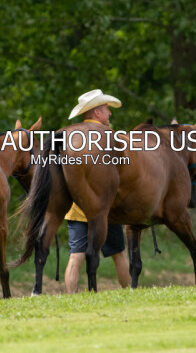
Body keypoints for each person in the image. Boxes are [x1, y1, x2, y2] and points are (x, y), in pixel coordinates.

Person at [65, 89, 131, 293]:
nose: (110, 114)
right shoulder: (109, 136)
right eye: (107, 109)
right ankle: (130, 294)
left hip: (77, 208)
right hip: (105, 210)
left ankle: (71, 299)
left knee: (75, 256)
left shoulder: (72, 138)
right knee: (119, 254)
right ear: (97, 112)